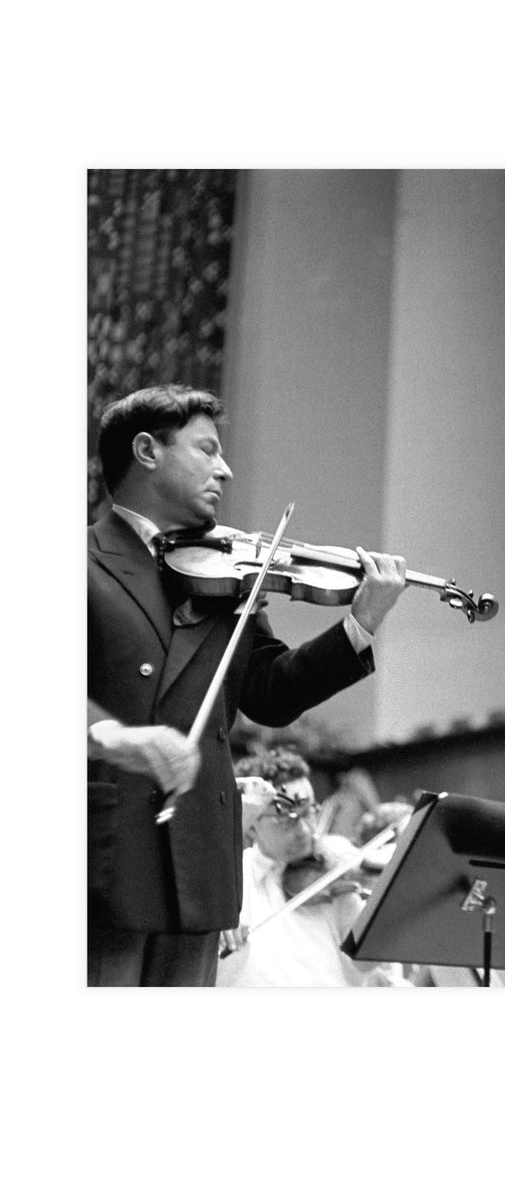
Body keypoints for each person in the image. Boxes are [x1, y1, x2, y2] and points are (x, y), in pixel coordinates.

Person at [88, 384, 407, 986]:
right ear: (147, 450)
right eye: (207, 450)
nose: (225, 469)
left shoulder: (227, 573)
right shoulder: (80, 561)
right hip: (103, 855)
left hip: (199, 864)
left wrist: (360, 624)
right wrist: (113, 735)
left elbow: (269, 692)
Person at [216, 749, 408, 987]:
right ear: (252, 825)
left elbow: (365, 962)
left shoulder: (334, 878)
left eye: (308, 812)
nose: (305, 831)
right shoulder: (230, 879)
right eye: (286, 818)